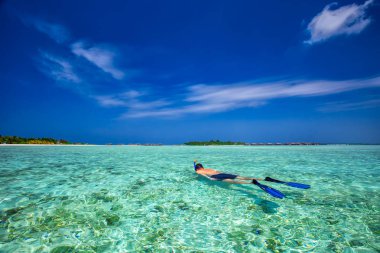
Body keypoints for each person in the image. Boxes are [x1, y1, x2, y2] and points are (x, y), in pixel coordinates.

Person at [194, 160, 262, 184]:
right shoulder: (208, 168)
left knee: (233, 182)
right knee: (241, 177)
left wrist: (210, 179)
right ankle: (262, 179)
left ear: (197, 168)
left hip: (215, 176)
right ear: (202, 166)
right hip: (221, 173)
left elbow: (204, 175)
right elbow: (218, 171)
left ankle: (251, 183)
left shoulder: (199, 171)